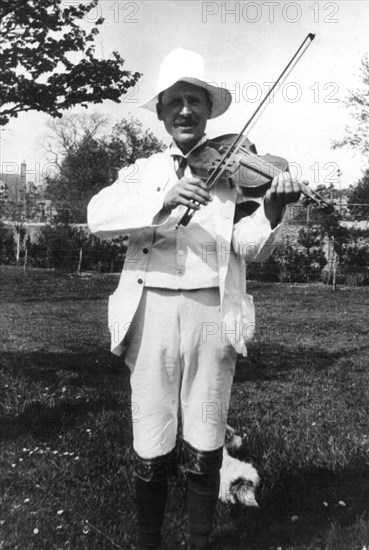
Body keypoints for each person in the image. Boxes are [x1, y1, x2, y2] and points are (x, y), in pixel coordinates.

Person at [88, 48, 301, 550]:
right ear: (161, 113)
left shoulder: (234, 172)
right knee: (152, 428)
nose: (185, 111)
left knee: (206, 430)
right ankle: (148, 541)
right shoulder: (143, 171)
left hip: (212, 312)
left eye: (195, 101)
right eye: (175, 102)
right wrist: (163, 197)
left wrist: (271, 213)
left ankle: (201, 541)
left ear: (209, 110)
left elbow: (247, 249)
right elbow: (98, 216)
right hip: (151, 311)